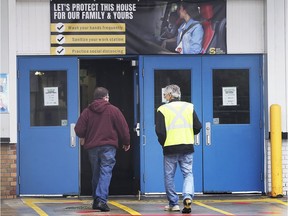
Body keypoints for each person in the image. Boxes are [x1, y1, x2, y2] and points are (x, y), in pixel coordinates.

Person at [74, 87, 130, 212]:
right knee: (105, 172)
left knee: (96, 172)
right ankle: (101, 200)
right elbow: (123, 128)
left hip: (92, 147)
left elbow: (78, 129)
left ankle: (96, 200)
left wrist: (84, 136)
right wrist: (126, 142)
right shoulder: (113, 110)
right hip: (108, 147)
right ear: (106, 97)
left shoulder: (87, 112)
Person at [155, 84, 202, 214]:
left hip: (170, 148)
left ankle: (173, 203)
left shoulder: (162, 109)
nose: (164, 97)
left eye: (165, 94)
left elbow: (159, 131)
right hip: (187, 146)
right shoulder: (189, 107)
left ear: (170, 95)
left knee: (169, 176)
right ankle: (187, 197)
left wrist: (164, 143)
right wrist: (188, 134)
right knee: (188, 173)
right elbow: (198, 126)